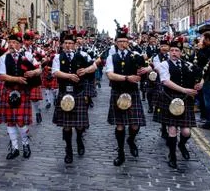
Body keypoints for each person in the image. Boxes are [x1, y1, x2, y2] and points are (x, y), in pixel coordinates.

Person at [52, 33, 97, 164]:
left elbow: (94, 66)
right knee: (66, 125)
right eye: (66, 43)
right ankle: (68, 150)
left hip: (78, 92)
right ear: (62, 45)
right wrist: (69, 76)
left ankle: (79, 139)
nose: (68, 45)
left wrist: (86, 70)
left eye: (70, 43)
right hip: (64, 92)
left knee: (79, 125)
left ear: (74, 45)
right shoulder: (57, 57)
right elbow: (55, 72)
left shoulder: (82, 55)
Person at [105, 26, 146, 166]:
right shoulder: (112, 57)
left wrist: (145, 69)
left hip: (132, 92)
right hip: (118, 92)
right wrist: (128, 78)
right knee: (120, 125)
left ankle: (131, 140)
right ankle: (121, 153)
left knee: (135, 125)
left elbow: (147, 67)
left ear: (128, 42)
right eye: (120, 41)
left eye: (125, 41)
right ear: (116, 43)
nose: (123, 43)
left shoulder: (136, 55)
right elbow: (110, 74)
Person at [154, 40, 199, 169]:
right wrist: (185, 90)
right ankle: (172, 155)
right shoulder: (164, 64)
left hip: (185, 100)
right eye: (172, 50)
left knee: (186, 132)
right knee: (172, 129)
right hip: (170, 98)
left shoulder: (188, 64)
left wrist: (199, 84)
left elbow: (198, 76)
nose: (174, 53)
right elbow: (165, 81)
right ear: (169, 52)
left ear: (181, 52)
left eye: (177, 51)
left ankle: (182, 145)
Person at [0, 32, 41, 159]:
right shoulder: (3, 58)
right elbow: (1, 76)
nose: (12, 45)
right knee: (10, 122)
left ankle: (26, 145)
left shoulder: (27, 55)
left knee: (21, 122)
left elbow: (39, 69)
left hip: (23, 91)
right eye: (10, 42)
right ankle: (15, 148)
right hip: (9, 90)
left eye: (15, 43)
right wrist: (17, 79)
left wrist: (33, 72)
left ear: (20, 44)